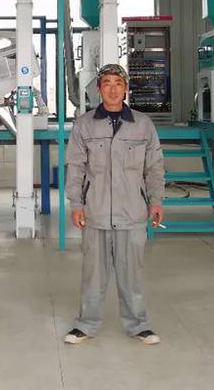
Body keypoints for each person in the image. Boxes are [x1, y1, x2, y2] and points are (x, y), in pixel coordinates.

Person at [63, 63, 165, 345]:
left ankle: (139, 325)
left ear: (126, 89)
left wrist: (156, 200)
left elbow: (154, 167)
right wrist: (76, 204)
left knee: (132, 273)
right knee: (93, 274)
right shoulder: (84, 124)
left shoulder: (142, 124)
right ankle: (86, 324)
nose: (112, 89)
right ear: (99, 89)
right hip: (95, 211)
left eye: (118, 83)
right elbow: (75, 167)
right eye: (106, 83)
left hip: (132, 212)